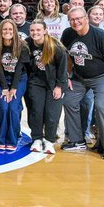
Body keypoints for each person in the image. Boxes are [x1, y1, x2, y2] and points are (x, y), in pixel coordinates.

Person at [61, 6, 104, 159]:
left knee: (101, 106)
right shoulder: (68, 34)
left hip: (101, 77)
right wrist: (68, 75)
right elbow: (68, 57)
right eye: (72, 19)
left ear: (86, 19)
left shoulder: (101, 35)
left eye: (79, 18)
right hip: (79, 77)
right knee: (68, 101)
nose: (76, 22)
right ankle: (77, 140)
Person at [25, 21, 69, 156]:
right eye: (32, 30)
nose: (35, 33)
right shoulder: (27, 44)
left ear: (45, 30)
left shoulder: (55, 46)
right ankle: (37, 139)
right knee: (36, 111)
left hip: (54, 84)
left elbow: (62, 69)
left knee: (52, 113)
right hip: (36, 83)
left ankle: (49, 140)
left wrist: (59, 86)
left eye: (38, 30)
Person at [0, 19, 30, 153]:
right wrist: (5, 88)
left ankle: (12, 139)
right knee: (3, 108)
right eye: (5, 29)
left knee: (13, 108)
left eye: (10, 30)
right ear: (0, 31)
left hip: (19, 80)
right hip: (1, 80)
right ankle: (1, 139)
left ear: (15, 31)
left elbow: (19, 69)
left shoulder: (22, 46)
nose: (7, 32)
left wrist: (13, 88)